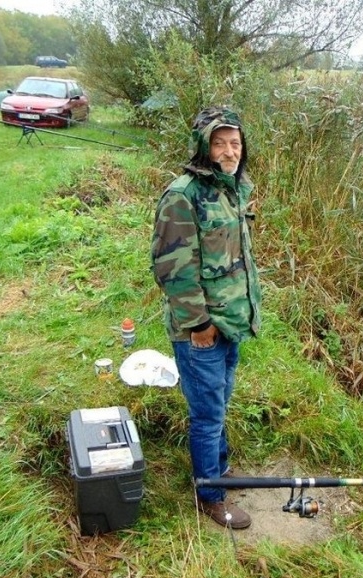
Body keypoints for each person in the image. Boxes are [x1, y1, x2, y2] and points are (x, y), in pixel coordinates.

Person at [150, 106, 262, 529]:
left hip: (230, 321)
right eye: (219, 143)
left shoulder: (234, 189)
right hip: (201, 329)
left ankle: (219, 467)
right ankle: (211, 495)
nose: (229, 151)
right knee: (207, 413)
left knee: (219, 402)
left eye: (235, 143)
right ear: (203, 146)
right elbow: (171, 268)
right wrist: (199, 325)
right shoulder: (184, 195)